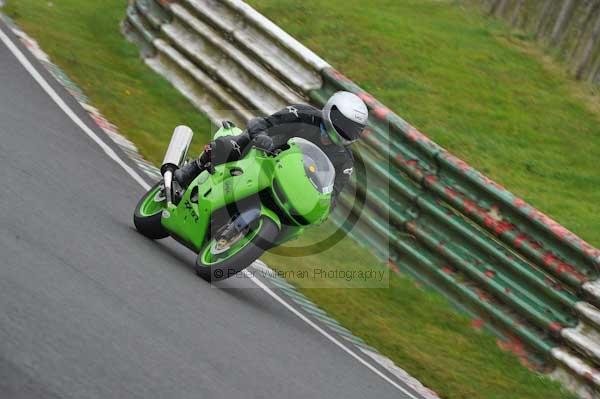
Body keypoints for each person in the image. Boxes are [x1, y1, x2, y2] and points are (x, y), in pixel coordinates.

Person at [174, 91, 368, 202]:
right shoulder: (302, 114)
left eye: (351, 129)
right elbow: (263, 123)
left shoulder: (344, 160)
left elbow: (332, 195)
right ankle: (194, 168)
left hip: (292, 185)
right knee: (233, 145)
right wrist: (262, 137)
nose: (344, 131)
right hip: (262, 155)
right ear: (330, 111)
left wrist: (321, 210)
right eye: (342, 123)